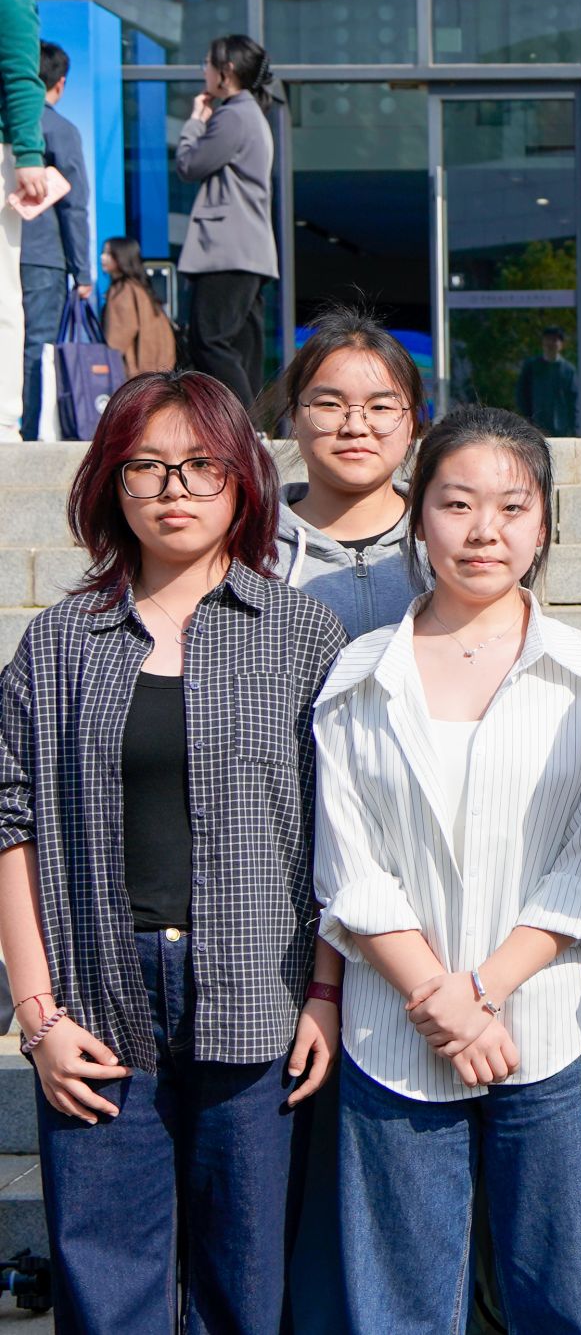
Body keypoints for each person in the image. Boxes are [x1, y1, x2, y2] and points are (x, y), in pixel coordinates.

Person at [0, 369, 347, 1331]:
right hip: (98, 997)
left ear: (241, 480)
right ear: (111, 484)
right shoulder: (60, 643)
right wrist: (36, 1014)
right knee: (106, 1291)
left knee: (246, 1286)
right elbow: (8, 822)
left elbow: (344, 826)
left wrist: (325, 990)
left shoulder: (300, 634)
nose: (174, 488)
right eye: (146, 467)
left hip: (259, 989)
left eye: (200, 465)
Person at [314, 404, 581, 1334]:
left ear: (544, 525)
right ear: (418, 517)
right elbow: (351, 865)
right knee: (401, 1306)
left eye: (512, 506)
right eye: (457, 504)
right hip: (394, 1028)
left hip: (552, 1022)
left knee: (560, 1300)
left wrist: (482, 990)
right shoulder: (358, 675)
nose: (484, 530)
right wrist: (440, 1000)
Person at [269, 305, 428, 639]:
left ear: (412, 424)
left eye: (380, 406)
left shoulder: (448, 542)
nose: (355, 426)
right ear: (294, 417)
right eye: (330, 404)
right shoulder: (250, 550)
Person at [177, 35, 278, 409]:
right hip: (248, 251)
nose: (204, 70)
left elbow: (190, 165)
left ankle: (242, 426)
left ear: (227, 70)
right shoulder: (250, 114)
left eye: (207, 62)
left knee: (209, 340)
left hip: (227, 249)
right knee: (241, 345)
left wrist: (195, 122)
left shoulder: (233, 115)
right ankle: (250, 426)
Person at [21, 42, 93, 437]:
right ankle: (28, 434)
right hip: (43, 255)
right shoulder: (61, 130)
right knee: (36, 346)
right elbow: (73, 206)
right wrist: (82, 271)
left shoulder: (12, 128)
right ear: (60, 83)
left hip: (10, 249)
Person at [0, 0, 47, 442]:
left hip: (1, 153)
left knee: (0, 292)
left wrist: (29, 155)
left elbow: (21, 76)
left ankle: (2, 418)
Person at [101, 238, 178, 378]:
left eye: (109, 254)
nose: (103, 258)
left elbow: (118, 337)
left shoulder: (122, 290)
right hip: (156, 367)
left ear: (122, 257)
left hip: (134, 371)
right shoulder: (140, 287)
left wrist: (101, 360)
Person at [516, 325, 578, 437]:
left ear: (561, 344)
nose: (550, 344)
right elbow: (522, 395)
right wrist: (527, 420)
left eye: (554, 340)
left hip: (561, 428)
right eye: (547, 339)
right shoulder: (532, 367)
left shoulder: (568, 370)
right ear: (543, 343)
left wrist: (573, 428)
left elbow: (573, 401)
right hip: (536, 426)